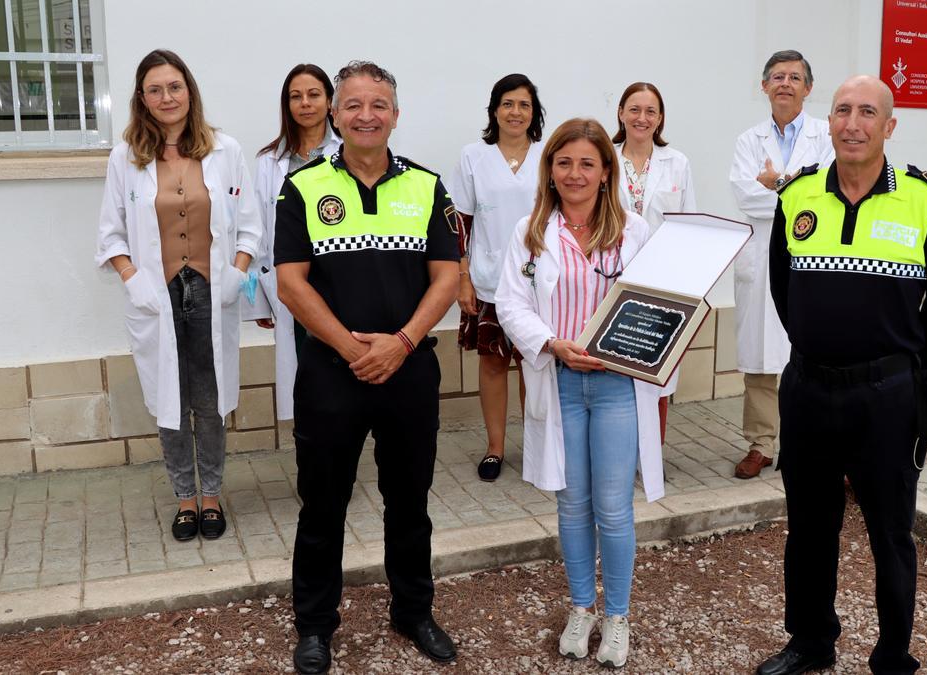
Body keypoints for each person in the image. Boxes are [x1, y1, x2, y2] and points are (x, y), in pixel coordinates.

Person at [755, 75, 927, 675]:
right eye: (843, 110)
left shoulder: (926, 201)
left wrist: (904, 365)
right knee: (809, 528)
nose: (853, 122)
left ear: (889, 127)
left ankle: (894, 654)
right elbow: (781, 286)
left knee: (890, 532)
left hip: (886, 399)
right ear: (830, 122)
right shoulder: (796, 198)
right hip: (809, 392)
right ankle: (811, 641)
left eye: (867, 112)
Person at [274, 61, 459, 673]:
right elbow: (291, 285)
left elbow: (448, 276)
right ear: (335, 115)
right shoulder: (301, 188)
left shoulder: (428, 187)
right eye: (352, 104)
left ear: (396, 115)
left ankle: (412, 611)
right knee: (321, 506)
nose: (366, 115)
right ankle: (315, 626)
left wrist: (401, 343)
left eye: (378, 104)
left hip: (409, 371)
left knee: (410, 502)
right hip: (332, 376)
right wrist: (355, 351)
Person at [495, 118, 664, 670]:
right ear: (551, 170)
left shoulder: (633, 231)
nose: (575, 173)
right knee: (572, 505)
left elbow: (657, 302)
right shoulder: (530, 230)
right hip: (561, 379)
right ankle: (581, 608)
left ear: (605, 170)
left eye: (587, 163)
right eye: (564, 162)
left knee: (613, 508)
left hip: (617, 385)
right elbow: (510, 304)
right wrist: (553, 344)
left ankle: (617, 617)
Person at [95, 49, 261, 543]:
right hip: (158, 293)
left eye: (174, 87)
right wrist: (133, 281)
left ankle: (212, 495)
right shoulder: (126, 158)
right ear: (142, 99)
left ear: (189, 91)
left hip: (212, 290)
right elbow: (111, 235)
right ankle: (184, 499)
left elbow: (250, 227)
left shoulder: (225, 150)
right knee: (170, 401)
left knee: (208, 401)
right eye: (155, 89)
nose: (167, 97)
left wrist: (236, 273)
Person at [729, 50, 834, 479]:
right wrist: (795, 190)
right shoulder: (747, 141)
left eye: (794, 77)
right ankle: (760, 445)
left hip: (814, 261)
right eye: (777, 76)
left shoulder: (827, 135)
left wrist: (777, 184)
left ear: (808, 87)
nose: (785, 83)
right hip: (762, 258)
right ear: (764, 86)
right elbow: (745, 195)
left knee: (814, 356)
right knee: (759, 359)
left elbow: (827, 195)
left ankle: (809, 444)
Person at [447, 73, 545, 482]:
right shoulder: (474, 156)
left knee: (534, 366)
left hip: (540, 281)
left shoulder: (548, 154)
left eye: (524, 104)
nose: (515, 112)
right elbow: (459, 224)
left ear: (533, 112)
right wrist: (462, 278)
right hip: (487, 279)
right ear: (494, 109)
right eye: (507, 103)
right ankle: (495, 448)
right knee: (492, 363)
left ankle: (539, 447)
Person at [251, 64, 341, 422]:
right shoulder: (269, 162)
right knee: (301, 377)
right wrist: (259, 301)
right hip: (290, 282)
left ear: (330, 102)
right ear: (286, 105)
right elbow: (258, 230)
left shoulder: (347, 152)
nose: (305, 103)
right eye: (296, 96)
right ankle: (311, 458)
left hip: (335, 279)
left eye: (314, 94)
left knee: (337, 374)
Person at [610, 81, 696, 439]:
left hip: (663, 281)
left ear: (660, 118)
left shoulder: (677, 163)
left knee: (655, 370)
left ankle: (651, 456)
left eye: (650, 111)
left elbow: (689, 225)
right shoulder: (604, 157)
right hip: (611, 277)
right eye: (634, 109)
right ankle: (617, 448)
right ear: (621, 113)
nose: (642, 118)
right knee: (615, 367)